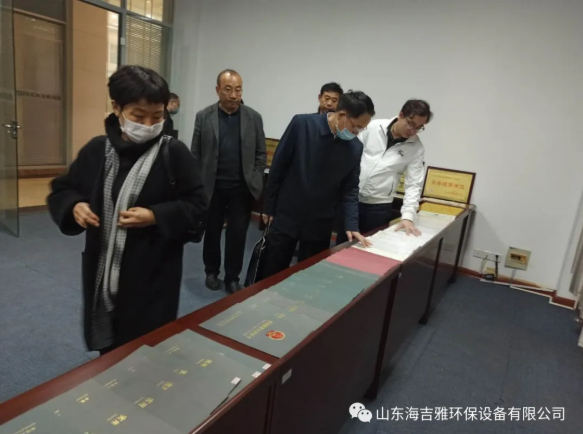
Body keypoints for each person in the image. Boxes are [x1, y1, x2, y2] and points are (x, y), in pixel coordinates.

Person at [47, 66, 208, 355]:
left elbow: (198, 207)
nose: (148, 125)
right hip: (103, 270)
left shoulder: (174, 153)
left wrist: (155, 216)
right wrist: (75, 206)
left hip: (154, 274)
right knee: (109, 350)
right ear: (117, 108)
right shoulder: (97, 150)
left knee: (147, 351)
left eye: (157, 116)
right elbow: (63, 189)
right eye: (138, 116)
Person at [260, 91, 375, 280]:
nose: (357, 133)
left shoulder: (355, 147)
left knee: (309, 274)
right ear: (342, 115)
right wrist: (269, 206)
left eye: (362, 129)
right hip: (287, 213)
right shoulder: (302, 124)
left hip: (320, 221)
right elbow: (279, 166)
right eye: (356, 127)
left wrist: (352, 224)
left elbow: (350, 188)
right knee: (272, 269)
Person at [191, 69, 267, 293]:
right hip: (212, 187)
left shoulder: (253, 117)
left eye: (238, 90)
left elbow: (261, 154)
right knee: (212, 231)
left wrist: (255, 177)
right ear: (218, 90)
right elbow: (196, 153)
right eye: (228, 89)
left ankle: (233, 276)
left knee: (238, 234)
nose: (234, 95)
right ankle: (211, 271)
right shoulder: (204, 116)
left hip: (241, 189)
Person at [336, 99, 433, 245]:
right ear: (401, 115)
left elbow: (414, 185)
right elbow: (350, 155)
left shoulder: (416, 148)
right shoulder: (373, 127)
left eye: (419, 127)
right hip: (352, 199)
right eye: (411, 123)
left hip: (379, 206)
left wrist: (407, 216)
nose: (412, 130)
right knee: (343, 244)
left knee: (371, 247)